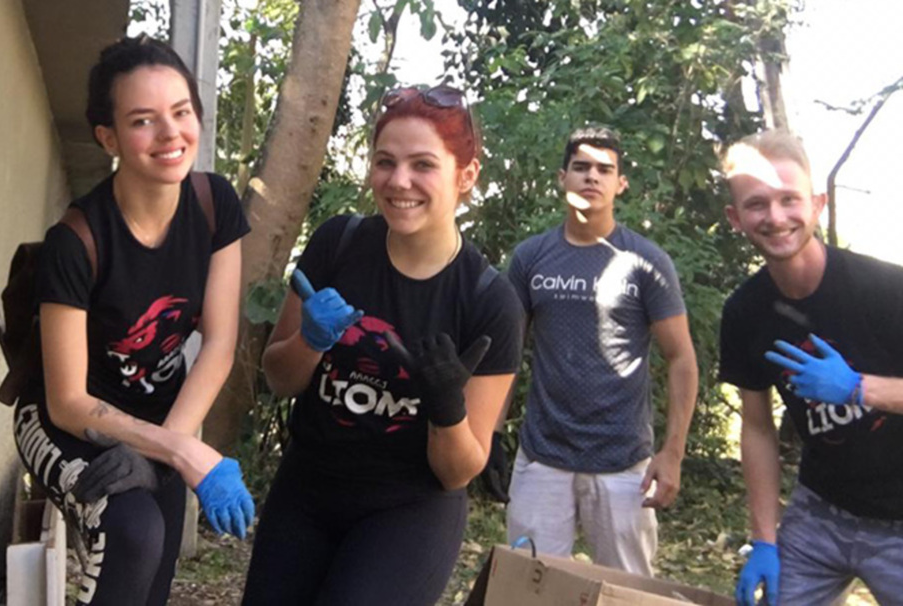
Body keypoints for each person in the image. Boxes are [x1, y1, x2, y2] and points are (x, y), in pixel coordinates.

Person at [241, 84, 523, 605]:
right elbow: (279, 378)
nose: (399, 182)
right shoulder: (338, 245)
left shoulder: (489, 301)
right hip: (308, 488)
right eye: (385, 162)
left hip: (408, 508)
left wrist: (446, 407)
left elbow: (458, 469)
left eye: (423, 165)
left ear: (466, 176)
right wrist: (309, 339)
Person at [11, 36, 254, 606]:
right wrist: (184, 452)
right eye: (144, 120)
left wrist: (170, 446)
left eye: (181, 112)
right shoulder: (76, 242)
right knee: (134, 532)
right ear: (109, 137)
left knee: (154, 573)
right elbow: (68, 401)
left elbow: (219, 340)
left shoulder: (214, 204)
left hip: (158, 416)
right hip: (65, 421)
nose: (171, 134)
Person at [503, 126, 698, 576]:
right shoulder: (531, 257)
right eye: (582, 167)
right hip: (542, 458)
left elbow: (682, 358)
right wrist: (489, 437)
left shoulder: (646, 261)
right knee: (529, 590)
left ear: (620, 183)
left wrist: (672, 453)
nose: (592, 177)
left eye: (604, 169)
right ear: (562, 177)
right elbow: (507, 356)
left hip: (624, 464)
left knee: (628, 595)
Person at [720, 130, 903, 606]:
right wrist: (763, 539)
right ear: (736, 218)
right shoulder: (745, 312)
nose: (776, 217)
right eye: (757, 204)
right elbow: (757, 429)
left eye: (789, 199)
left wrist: (859, 388)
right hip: (821, 512)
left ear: (817, 204)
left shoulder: (885, 289)